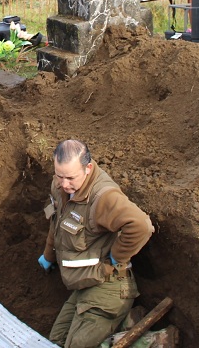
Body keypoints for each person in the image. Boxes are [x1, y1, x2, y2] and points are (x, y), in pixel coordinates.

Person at [38, 139, 154, 348]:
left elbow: (141, 225)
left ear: (88, 168)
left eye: (71, 178)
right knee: (54, 343)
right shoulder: (60, 187)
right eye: (59, 175)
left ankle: (148, 341)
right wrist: (48, 255)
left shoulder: (102, 197)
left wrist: (116, 258)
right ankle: (125, 323)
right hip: (84, 285)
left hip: (108, 286)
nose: (64, 184)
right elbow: (55, 222)